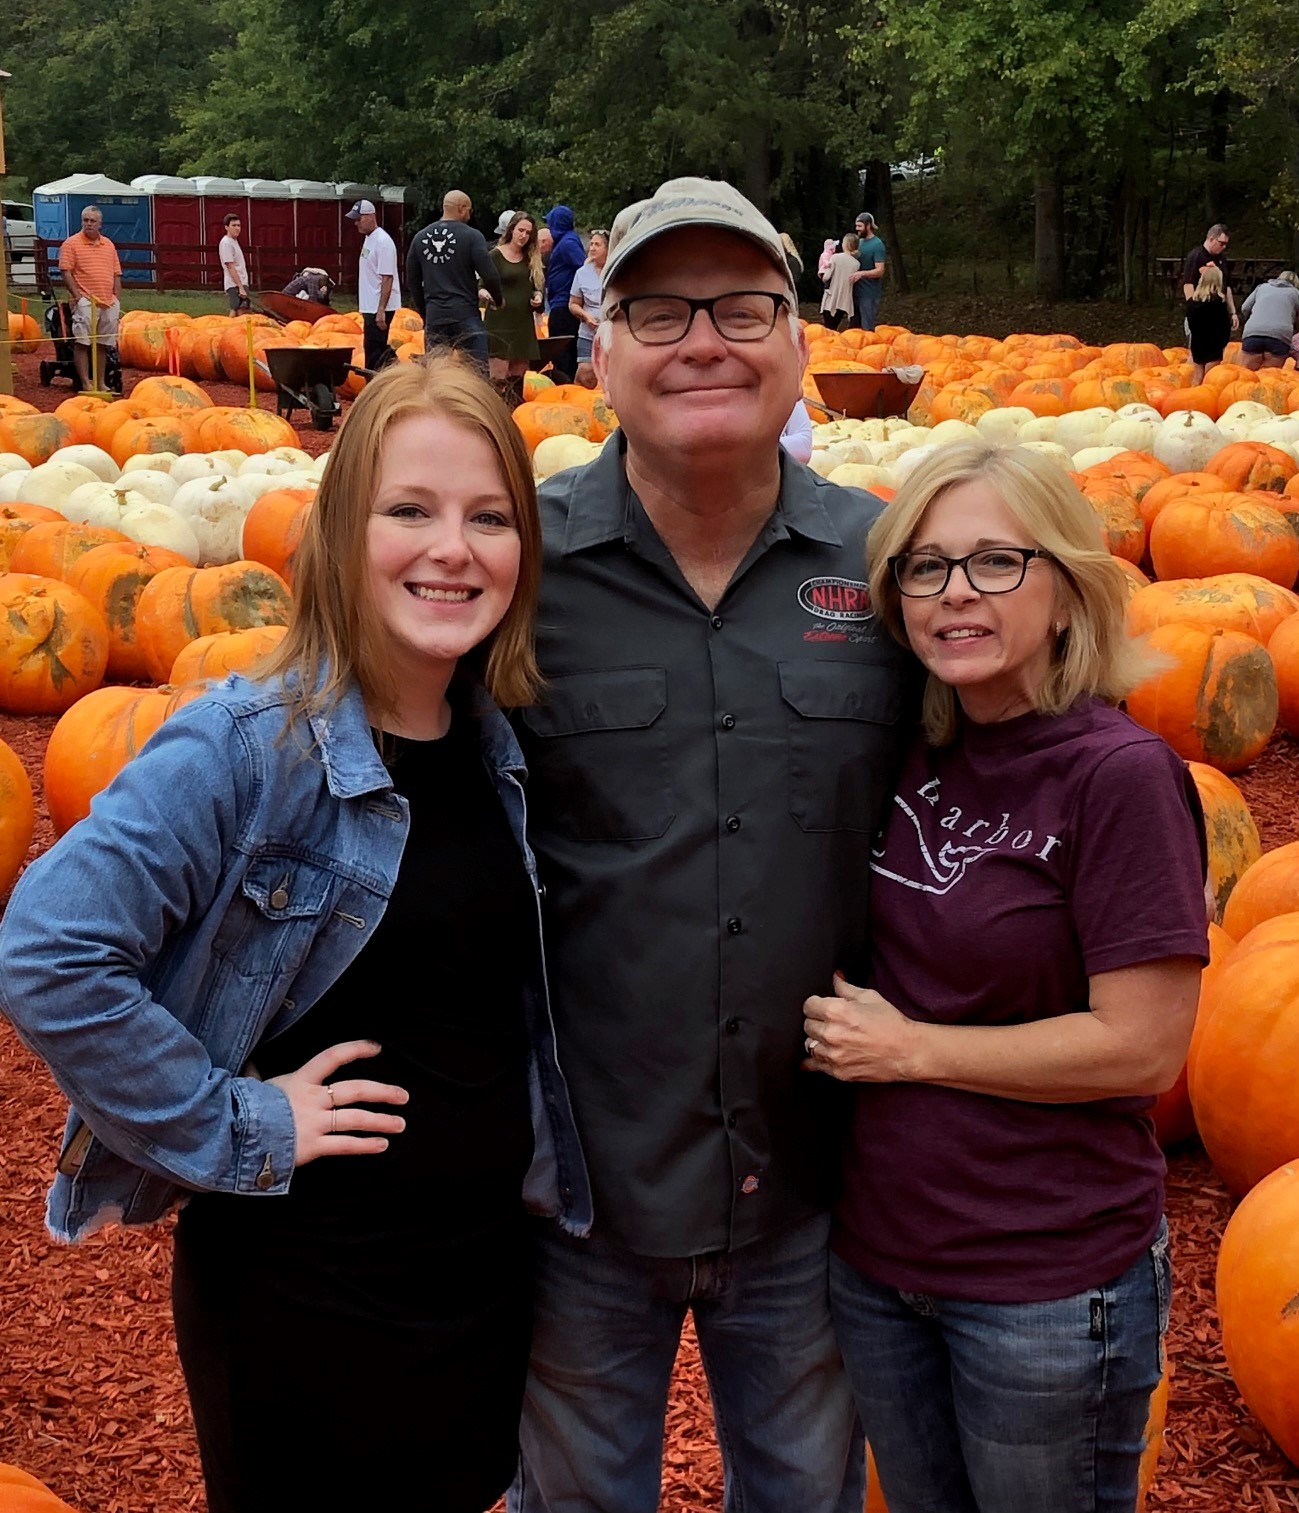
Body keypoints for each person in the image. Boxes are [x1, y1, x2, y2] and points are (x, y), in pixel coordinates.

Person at [0, 358, 591, 1513]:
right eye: (408, 511)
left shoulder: (498, 741)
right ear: (339, 529)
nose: (450, 548)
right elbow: (48, 950)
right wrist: (242, 1120)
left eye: (488, 518)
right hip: (310, 1300)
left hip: (476, 1285)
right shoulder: (249, 740)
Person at [508, 175, 915, 1513]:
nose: (703, 340)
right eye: (659, 309)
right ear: (599, 349)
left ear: (798, 342)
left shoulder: (889, 565)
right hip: (580, 1187)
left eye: (743, 307)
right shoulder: (510, 569)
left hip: (813, 1181)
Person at [806, 441, 1207, 1513]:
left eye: (994, 562)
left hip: (1044, 1285)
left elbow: (1144, 1045)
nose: (953, 594)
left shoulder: (1119, 775)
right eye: (925, 568)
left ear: (1069, 586)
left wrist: (912, 1050)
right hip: (881, 1262)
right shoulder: (917, 746)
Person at [405, 190, 503, 368]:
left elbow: (412, 280)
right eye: (469, 211)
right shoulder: (472, 236)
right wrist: (498, 299)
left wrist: (425, 311)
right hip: (466, 313)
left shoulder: (420, 238)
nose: (469, 215)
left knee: (437, 373)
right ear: (462, 208)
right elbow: (489, 274)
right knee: (477, 372)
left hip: (436, 315)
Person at [57, 206, 121, 391]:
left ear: (100, 224)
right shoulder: (71, 244)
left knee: (103, 343)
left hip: (108, 301)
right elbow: (65, 271)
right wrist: (78, 297)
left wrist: (116, 298)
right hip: (85, 300)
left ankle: (100, 382)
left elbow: (117, 273)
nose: (89, 224)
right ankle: (86, 382)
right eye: (85, 220)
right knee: (82, 341)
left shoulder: (108, 245)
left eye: (92, 221)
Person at [484, 211, 544, 407]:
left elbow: (536, 288)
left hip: (522, 323)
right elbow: (480, 286)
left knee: (518, 379)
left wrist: (538, 297)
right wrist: (485, 295)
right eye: (520, 230)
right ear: (511, 230)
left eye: (528, 232)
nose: (523, 236)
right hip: (500, 322)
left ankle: (516, 416)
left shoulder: (531, 259)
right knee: (498, 378)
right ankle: (498, 415)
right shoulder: (495, 255)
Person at [345, 198, 401, 372]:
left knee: (375, 352)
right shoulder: (369, 239)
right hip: (370, 306)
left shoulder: (383, 242)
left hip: (379, 306)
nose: (356, 223)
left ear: (370, 217)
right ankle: (396, 370)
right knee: (374, 348)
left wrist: (381, 310)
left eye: (359, 219)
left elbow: (387, 277)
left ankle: (377, 383)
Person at [541, 205, 586, 382]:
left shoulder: (568, 243)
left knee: (562, 353)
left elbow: (582, 268)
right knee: (563, 353)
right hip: (560, 303)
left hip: (564, 306)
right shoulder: (565, 241)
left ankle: (567, 389)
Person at [567, 227, 608, 376]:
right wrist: (585, 315)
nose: (592, 248)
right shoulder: (582, 273)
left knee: (609, 375)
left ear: (608, 248)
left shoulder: (617, 272)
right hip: (588, 333)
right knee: (585, 373)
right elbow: (573, 304)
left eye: (597, 245)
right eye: (591, 244)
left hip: (612, 333)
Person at [1239, 270, 1299, 371]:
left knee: (1247, 375)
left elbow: (1245, 308)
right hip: (1280, 336)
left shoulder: (1262, 287)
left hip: (1254, 332)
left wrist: (1252, 319)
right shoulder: (1296, 293)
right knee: (1271, 377)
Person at [1181, 224, 1238, 332]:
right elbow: (1188, 284)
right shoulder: (1196, 256)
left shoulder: (1222, 259)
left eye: (1226, 244)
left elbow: (1227, 287)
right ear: (1211, 239)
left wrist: (1233, 312)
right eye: (1222, 243)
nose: (1224, 247)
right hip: (1199, 312)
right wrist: (1193, 310)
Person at [1184, 264, 1233, 383]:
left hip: (1197, 343)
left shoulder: (1192, 303)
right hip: (1214, 345)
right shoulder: (1219, 303)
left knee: (1197, 377)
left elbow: (1191, 324)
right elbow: (1224, 326)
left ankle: (1193, 397)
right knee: (1209, 379)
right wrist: (1223, 342)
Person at [850, 212, 887, 331]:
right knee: (854, 330)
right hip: (854, 292)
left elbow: (880, 270)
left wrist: (862, 274)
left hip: (869, 294)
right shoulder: (858, 243)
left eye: (860, 226)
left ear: (868, 225)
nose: (857, 229)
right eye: (856, 226)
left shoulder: (877, 245)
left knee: (867, 330)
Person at [820, 232, 860, 331]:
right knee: (835, 325)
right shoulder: (856, 264)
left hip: (831, 297)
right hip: (844, 300)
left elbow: (826, 277)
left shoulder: (835, 258)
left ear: (846, 244)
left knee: (828, 327)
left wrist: (822, 273)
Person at [218, 212, 250, 312]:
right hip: (234, 284)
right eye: (234, 225)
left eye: (238, 225)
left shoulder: (234, 241)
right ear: (226, 227)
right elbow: (230, 266)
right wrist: (240, 287)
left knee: (241, 311)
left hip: (241, 281)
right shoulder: (226, 243)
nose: (237, 228)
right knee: (238, 310)